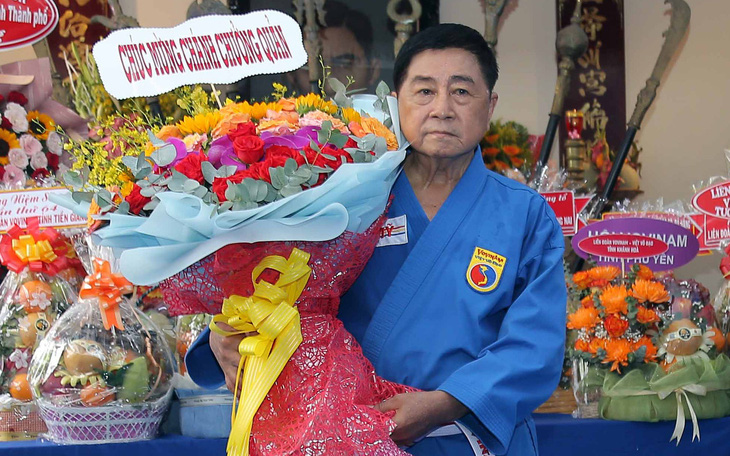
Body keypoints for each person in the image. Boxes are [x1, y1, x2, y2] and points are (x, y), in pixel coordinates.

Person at [188, 23, 566, 456]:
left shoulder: (524, 215)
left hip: (473, 440)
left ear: (490, 104)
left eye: (462, 92)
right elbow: (271, 284)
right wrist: (224, 332)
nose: (442, 108)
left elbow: (534, 347)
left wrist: (444, 404)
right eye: (424, 91)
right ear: (396, 101)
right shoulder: (340, 195)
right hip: (350, 438)